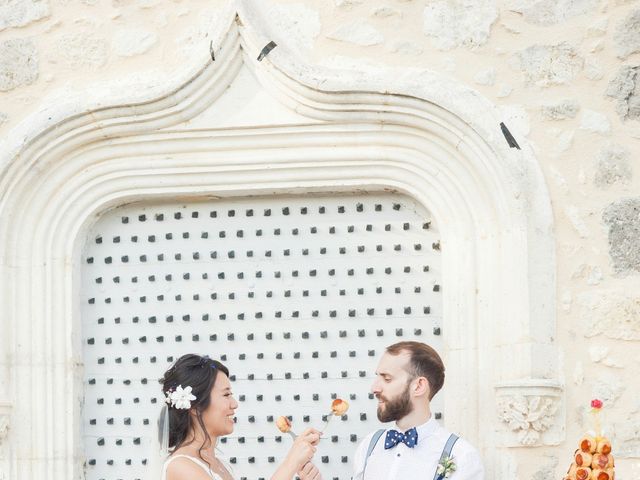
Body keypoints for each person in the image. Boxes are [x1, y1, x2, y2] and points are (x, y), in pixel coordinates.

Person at [158, 353, 321, 480]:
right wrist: (291, 462)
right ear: (195, 406)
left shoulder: (216, 463)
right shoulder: (180, 465)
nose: (234, 404)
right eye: (226, 394)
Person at [351, 341, 484, 480]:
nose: (374, 388)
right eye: (377, 377)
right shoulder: (369, 444)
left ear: (419, 386)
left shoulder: (461, 456)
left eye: (387, 379)